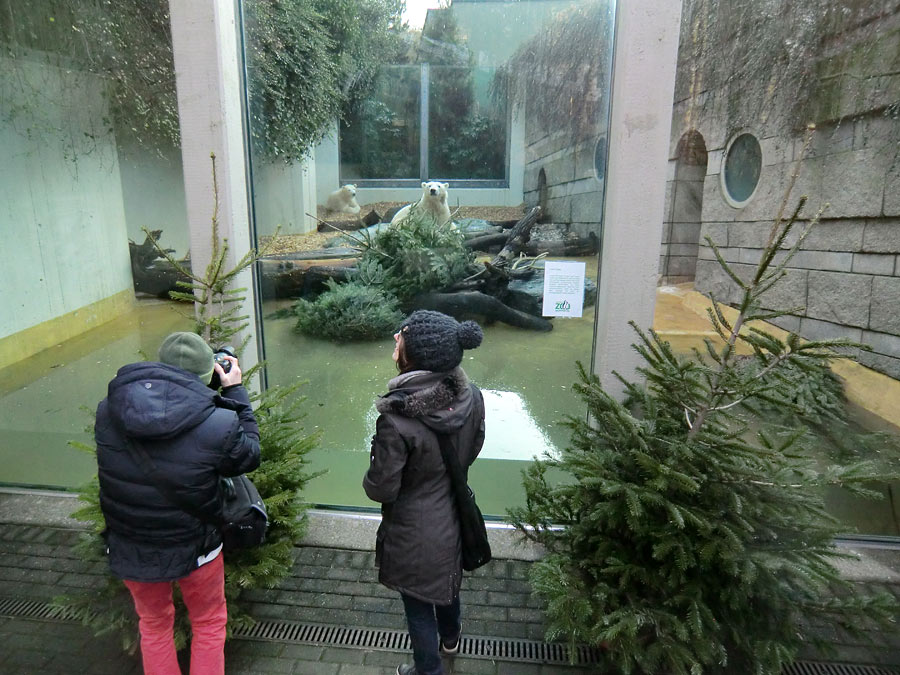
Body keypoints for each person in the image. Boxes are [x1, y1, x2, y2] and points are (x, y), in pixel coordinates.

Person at [94, 331, 261, 675]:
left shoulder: (109, 410)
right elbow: (249, 457)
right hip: (196, 543)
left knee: (153, 624)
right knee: (209, 621)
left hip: (131, 542)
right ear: (208, 375)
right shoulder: (218, 421)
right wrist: (234, 390)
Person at [363, 310, 486, 675]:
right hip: (453, 513)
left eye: (401, 335)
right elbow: (473, 447)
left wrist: (372, 475)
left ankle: (428, 669)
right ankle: (451, 638)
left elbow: (382, 487)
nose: (395, 340)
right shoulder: (472, 396)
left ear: (415, 352)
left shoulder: (397, 417)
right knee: (446, 577)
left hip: (414, 529)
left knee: (418, 603)